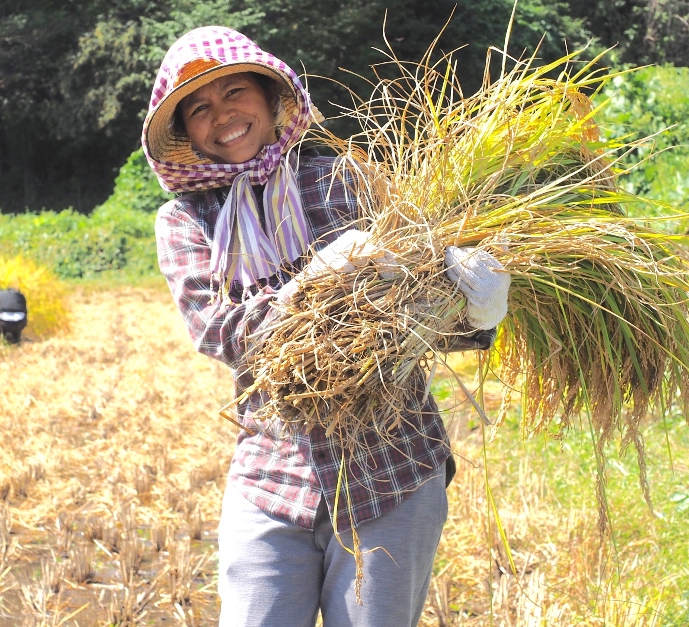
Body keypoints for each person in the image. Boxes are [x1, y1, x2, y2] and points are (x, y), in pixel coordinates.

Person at [146, 27, 510, 627]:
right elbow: (217, 330)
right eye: (200, 109)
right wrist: (307, 288)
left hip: (392, 471)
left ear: (269, 97)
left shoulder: (345, 178)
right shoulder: (188, 220)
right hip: (272, 473)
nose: (223, 115)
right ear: (188, 133)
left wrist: (479, 310)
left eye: (235, 92)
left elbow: (416, 311)